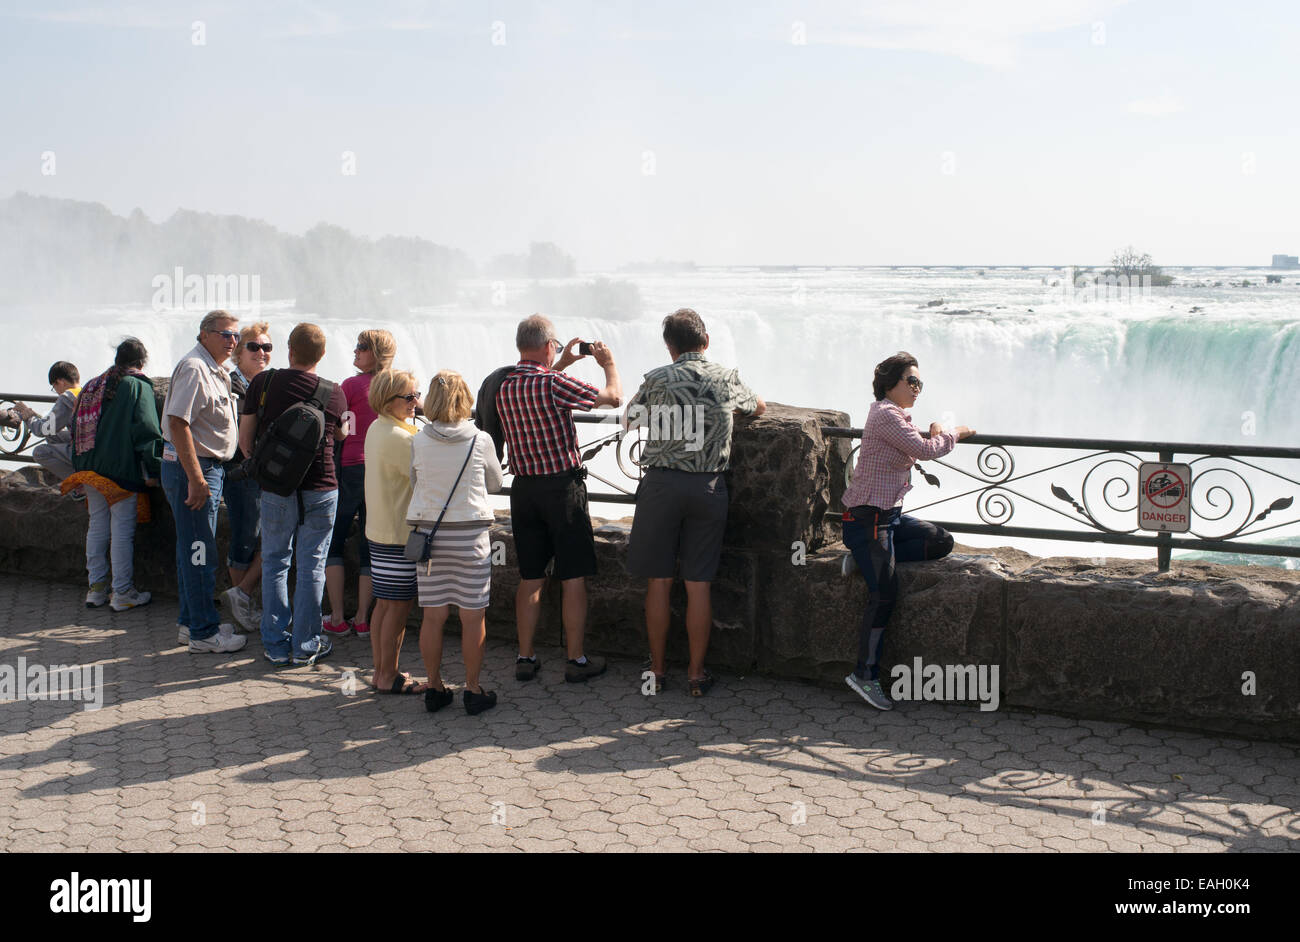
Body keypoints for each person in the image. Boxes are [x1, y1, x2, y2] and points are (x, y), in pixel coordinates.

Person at [625, 309, 765, 696]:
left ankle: (656, 671)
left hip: (661, 486)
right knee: (698, 585)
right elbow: (759, 408)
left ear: (669, 347)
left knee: (659, 581)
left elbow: (630, 421)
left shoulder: (656, 379)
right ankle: (696, 675)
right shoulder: (726, 376)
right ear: (705, 341)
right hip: (707, 487)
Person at [840, 351, 975, 710]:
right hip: (867, 521)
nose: (917, 388)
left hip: (889, 520)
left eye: (920, 383)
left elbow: (918, 440)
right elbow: (925, 449)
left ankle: (866, 560)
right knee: (884, 593)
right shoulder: (885, 414)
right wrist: (954, 432)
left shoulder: (896, 417)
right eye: (912, 381)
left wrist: (933, 430)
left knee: (940, 542)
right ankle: (864, 676)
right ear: (891, 383)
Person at [496, 315, 621, 684]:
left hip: (524, 490)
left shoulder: (503, 384)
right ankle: (575, 660)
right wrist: (608, 364)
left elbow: (541, 381)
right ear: (549, 345)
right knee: (573, 576)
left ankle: (525, 656)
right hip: (562, 491)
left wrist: (562, 361)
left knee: (530, 576)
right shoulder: (553, 383)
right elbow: (612, 399)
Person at [239, 322, 347, 666]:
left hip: (275, 487)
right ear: (323, 354)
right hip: (321, 487)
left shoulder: (263, 382)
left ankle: (274, 644)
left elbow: (245, 442)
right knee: (312, 564)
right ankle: (306, 644)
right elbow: (343, 435)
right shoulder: (335, 392)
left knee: (274, 561)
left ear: (289, 349)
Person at [409, 370, 504, 715]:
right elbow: (494, 483)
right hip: (470, 538)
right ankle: (473, 689)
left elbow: (413, 479)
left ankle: (434, 688)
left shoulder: (418, 440)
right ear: (466, 401)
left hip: (430, 539)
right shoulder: (481, 440)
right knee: (472, 617)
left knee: (432, 617)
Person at [161, 310, 246, 654]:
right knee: (200, 553)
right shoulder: (196, 368)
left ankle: (190, 622)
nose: (232, 341)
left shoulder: (212, 367)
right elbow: (178, 422)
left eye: (236, 336)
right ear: (204, 334)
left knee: (191, 549)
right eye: (225, 334)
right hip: (193, 470)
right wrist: (196, 478)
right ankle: (204, 633)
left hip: (200, 468)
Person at [64, 340, 161, 611]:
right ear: (142, 362)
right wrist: (154, 468)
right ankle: (122, 592)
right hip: (120, 470)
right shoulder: (137, 385)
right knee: (121, 531)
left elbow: (74, 426)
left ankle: (95, 589)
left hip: (89, 467)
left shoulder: (94, 383)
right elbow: (146, 430)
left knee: (97, 525)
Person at [324, 329, 396, 640]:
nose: (355, 352)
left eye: (362, 347)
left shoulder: (351, 385)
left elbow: (345, 430)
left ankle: (338, 618)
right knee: (372, 544)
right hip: (383, 472)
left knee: (333, 541)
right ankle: (364, 620)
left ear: (377, 352)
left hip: (352, 469)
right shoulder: (396, 386)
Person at [362, 368, 421, 694]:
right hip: (400, 533)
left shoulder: (378, 427)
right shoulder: (403, 438)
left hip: (380, 529)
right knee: (396, 608)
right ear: (388, 400)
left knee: (384, 605)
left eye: (416, 394)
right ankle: (388, 675)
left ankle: (381, 670)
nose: (416, 402)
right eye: (409, 397)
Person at [221, 323, 271, 632]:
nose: (262, 352)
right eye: (254, 347)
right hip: (239, 471)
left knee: (261, 536)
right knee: (245, 536)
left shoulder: (266, 383)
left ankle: (241, 597)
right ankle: (242, 605)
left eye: (267, 347)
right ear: (239, 352)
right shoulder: (231, 384)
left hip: (263, 473)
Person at [8, 361, 82, 491]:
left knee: (40, 452)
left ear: (60, 382)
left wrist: (28, 416)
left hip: (85, 451)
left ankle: (81, 485)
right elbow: (51, 427)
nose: (57, 392)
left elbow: (43, 430)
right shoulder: (84, 393)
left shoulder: (67, 398)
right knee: (54, 435)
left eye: (54, 387)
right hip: (96, 445)